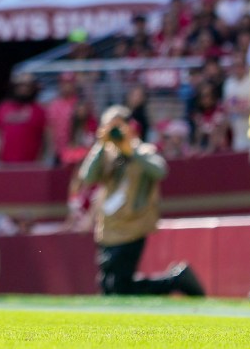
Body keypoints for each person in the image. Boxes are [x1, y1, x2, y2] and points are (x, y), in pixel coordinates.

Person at [72, 105, 203, 297]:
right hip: (108, 228)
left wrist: (130, 149)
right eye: (110, 126)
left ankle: (175, 281)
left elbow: (160, 170)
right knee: (110, 288)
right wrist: (101, 144)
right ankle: (176, 279)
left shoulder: (142, 150)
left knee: (119, 288)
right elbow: (88, 177)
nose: (115, 131)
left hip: (133, 226)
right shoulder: (106, 155)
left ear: (129, 126)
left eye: (118, 126)